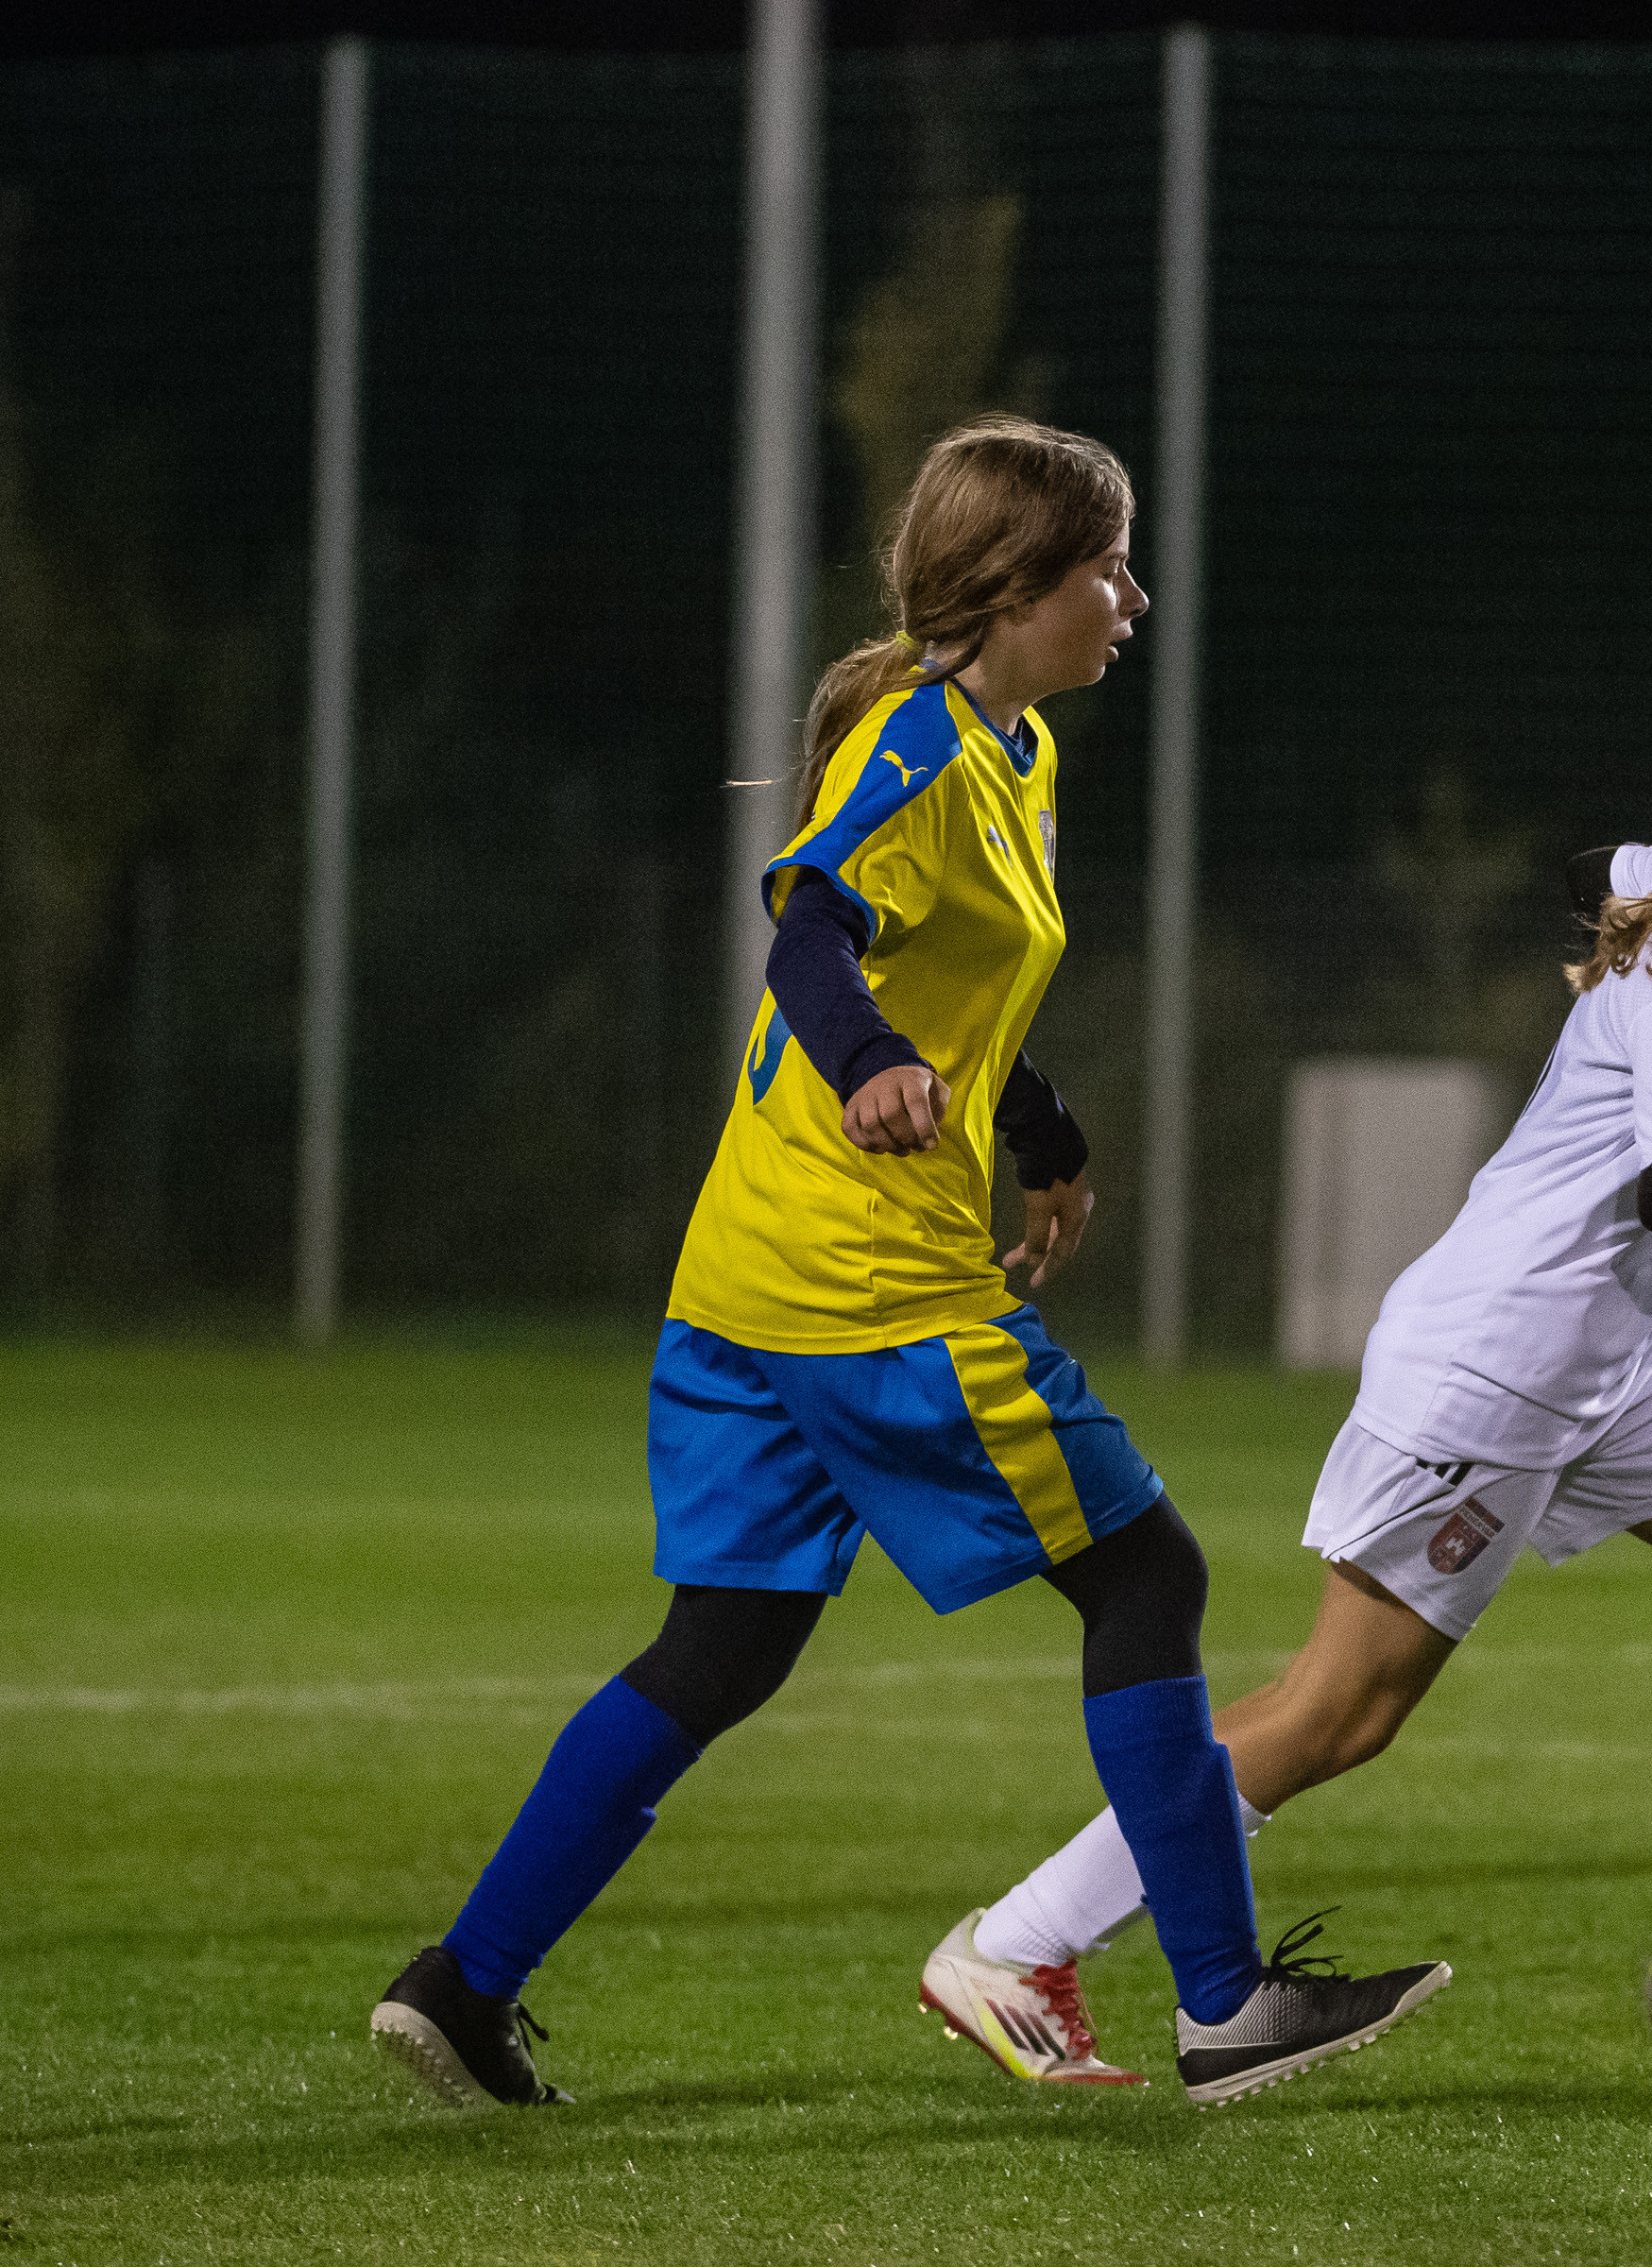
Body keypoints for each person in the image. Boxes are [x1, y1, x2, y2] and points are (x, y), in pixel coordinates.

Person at [370, 417, 1445, 2112]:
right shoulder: (917, 747)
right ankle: (1226, 2000)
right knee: (1146, 1575)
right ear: (1014, 589)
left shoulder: (1015, 750)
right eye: (1108, 569)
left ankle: (462, 1983)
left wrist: (1043, 1130)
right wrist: (868, 1059)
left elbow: (954, 983)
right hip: (862, 1282)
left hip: (751, 1273)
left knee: (723, 1644)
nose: (1133, 599)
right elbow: (812, 924)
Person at [913, 639, 1652, 2059]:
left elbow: (1594, 871)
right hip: (1502, 1361)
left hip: (1603, 1357)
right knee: (1335, 1713)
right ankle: (1015, 1946)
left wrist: (1627, 972)